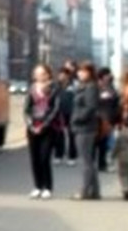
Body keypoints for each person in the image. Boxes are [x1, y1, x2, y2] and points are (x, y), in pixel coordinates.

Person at [22, 63, 59, 199]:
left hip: (48, 128)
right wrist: (31, 125)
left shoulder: (54, 89)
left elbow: (55, 109)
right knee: (35, 159)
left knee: (44, 158)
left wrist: (44, 125)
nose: (39, 76)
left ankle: (48, 187)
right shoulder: (31, 89)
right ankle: (37, 186)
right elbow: (26, 109)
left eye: (42, 73)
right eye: (37, 73)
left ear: (48, 74)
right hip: (33, 128)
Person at [70, 61, 102, 199]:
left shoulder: (90, 87)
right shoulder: (84, 86)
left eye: (83, 71)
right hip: (84, 127)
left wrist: (77, 118)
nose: (80, 73)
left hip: (86, 127)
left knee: (86, 161)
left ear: (90, 72)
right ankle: (94, 191)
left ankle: (84, 191)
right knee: (88, 160)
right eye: (79, 71)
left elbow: (90, 107)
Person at [96, 67, 121, 171]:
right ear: (102, 76)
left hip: (110, 118)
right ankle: (101, 163)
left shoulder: (111, 86)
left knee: (105, 142)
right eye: (108, 74)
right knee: (101, 142)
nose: (110, 76)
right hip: (100, 118)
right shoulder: (97, 87)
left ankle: (103, 163)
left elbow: (116, 101)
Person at [52, 67, 77, 165]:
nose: (61, 77)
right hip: (59, 114)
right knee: (59, 135)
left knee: (72, 135)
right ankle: (59, 155)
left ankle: (72, 157)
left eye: (64, 75)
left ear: (68, 76)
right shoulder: (56, 87)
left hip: (72, 113)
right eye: (60, 74)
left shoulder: (74, 86)